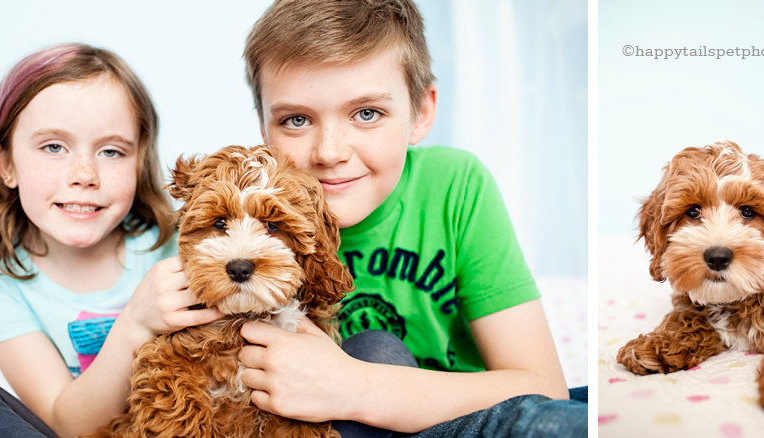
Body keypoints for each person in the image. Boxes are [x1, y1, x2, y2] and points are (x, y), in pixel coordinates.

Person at [238, 0, 587, 436]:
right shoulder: (244, 220)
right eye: (295, 120)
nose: (329, 152)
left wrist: (358, 387)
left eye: (367, 113)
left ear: (421, 113)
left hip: (456, 417)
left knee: (573, 415)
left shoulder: (456, 185)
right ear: (263, 129)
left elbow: (543, 387)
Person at [0, 43, 224, 438]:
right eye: (53, 146)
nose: (84, 174)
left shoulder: (177, 242)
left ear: (138, 162)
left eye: (111, 151)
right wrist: (135, 322)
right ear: (5, 165)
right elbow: (65, 423)